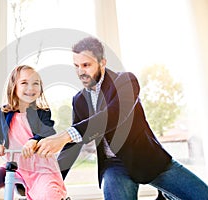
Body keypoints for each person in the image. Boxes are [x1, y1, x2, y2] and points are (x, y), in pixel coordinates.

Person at [36, 37, 208, 200]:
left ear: (102, 62)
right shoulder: (79, 100)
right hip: (114, 166)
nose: (81, 71)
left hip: (149, 160)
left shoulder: (126, 81)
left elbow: (115, 114)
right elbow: (74, 146)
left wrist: (65, 135)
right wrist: (50, 180)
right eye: (76, 66)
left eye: (86, 65)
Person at [0, 65, 67, 200]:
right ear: (14, 87)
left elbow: (47, 130)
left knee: (49, 194)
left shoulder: (42, 112)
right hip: (15, 166)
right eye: (24, 83)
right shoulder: (4, 113)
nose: (31, 88)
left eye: (35, 83)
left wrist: (34, 140)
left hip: (40, 167)